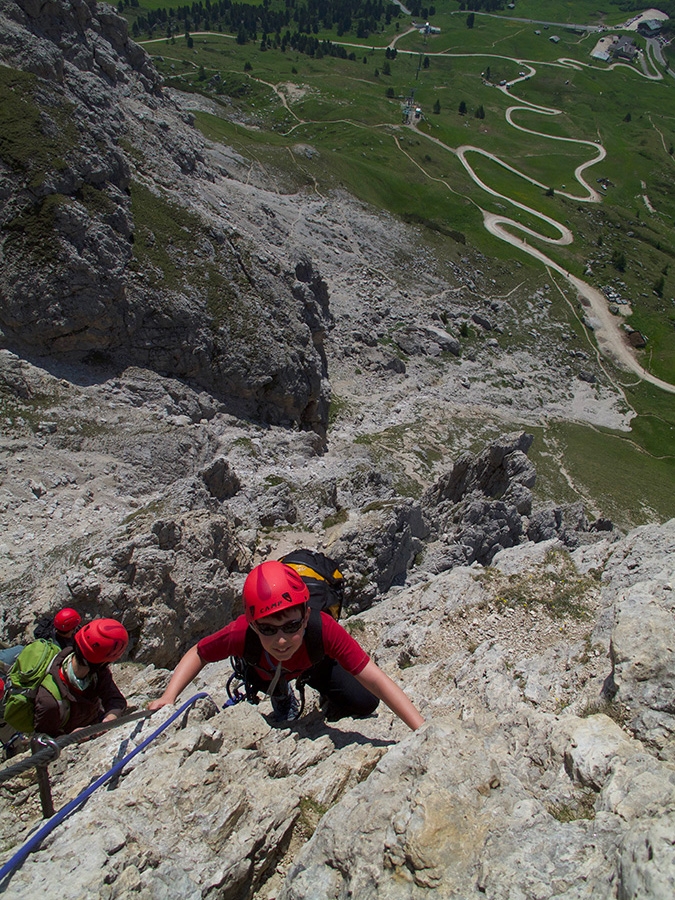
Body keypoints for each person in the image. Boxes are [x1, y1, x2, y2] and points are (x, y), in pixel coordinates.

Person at [149, 560, 425, 731]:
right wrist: (169, 697)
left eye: (291, 626)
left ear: (306, 617)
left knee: (365, 702)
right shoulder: (241, 633)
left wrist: (421, 730)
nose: (280, 640)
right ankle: (280, 692)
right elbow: (199, 653)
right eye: (267, 629)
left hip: (312, 664)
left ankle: (309, 690)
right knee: (267, 671)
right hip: (263, 669)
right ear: (253, 624)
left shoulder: (323, 629)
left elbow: (374, 678)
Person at [33, 618, 129, 737]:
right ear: (102, 663)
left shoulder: (98, 673)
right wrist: (71, 738)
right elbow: (41, 740)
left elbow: (115, 699)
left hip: (93, 722)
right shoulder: (50, 701)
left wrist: (110, 718)